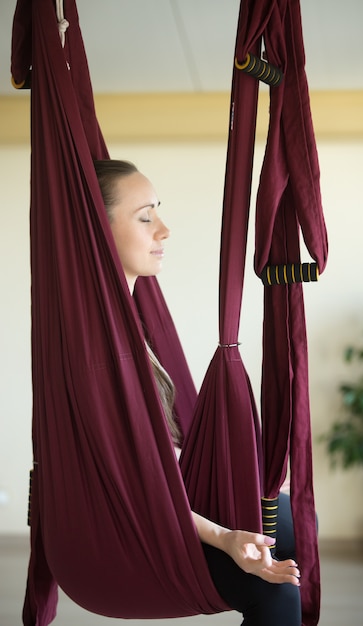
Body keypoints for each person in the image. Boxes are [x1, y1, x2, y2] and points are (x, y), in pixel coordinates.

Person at [94, 159, 302, 626]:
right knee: (276, 589)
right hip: (142, 530)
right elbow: (136, 483)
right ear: (97, 229)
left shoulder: (131, 325)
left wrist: (248, 472)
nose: (164, 230)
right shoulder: (99, 350)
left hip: (173, 498)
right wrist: (225, 536)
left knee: (290, 522)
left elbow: (163, 453)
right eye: (145, 217)